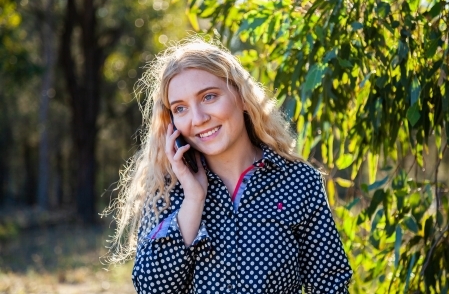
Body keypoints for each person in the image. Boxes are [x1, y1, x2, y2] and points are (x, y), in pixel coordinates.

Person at [107, 38, 352, 293]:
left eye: (209, 97)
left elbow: (330, 283)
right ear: (172, 124)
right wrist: (193, 199)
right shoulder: (168, 193)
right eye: (180, 108)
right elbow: (152, 288)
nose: (198, 119)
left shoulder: (299, 181)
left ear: (243, 97)